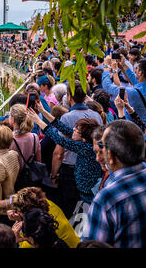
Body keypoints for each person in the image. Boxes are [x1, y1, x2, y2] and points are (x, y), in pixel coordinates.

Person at [83, 120, 146, 248]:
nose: (98, 157)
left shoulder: (106, 199)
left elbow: (91, 244)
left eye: (103, 146)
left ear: (111, 156)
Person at [27, 102, 102, 204]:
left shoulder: (86, 148)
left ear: (83, 138)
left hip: (87, 195)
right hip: (83, 190)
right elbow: (62, 126)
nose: (73, 129)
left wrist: (38, 121)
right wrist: (43, 111)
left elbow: (59, 139)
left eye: (76, 130)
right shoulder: (86, 139)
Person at [50, 80, 103, 217]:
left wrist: (54, 174)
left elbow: (59, 151)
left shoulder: (67, 117)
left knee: (69, 209)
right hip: (92, 172)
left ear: (68, 97)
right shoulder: (96, 115)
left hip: (70, 171)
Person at [0, 187, 80, 248]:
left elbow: (26, 244)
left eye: (18, 211)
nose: (15, 213)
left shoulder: (35, 236)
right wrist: (21, 219)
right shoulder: (46, 204)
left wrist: (16, 237)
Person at [103, 58, 146, 125]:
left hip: (130, 128)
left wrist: (106, 67)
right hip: (145, 127)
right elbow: (136, 80)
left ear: (140, 73)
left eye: (137, 68)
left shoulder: (132, 92)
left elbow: (107, 86)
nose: (135, 70)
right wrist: (124, 65)